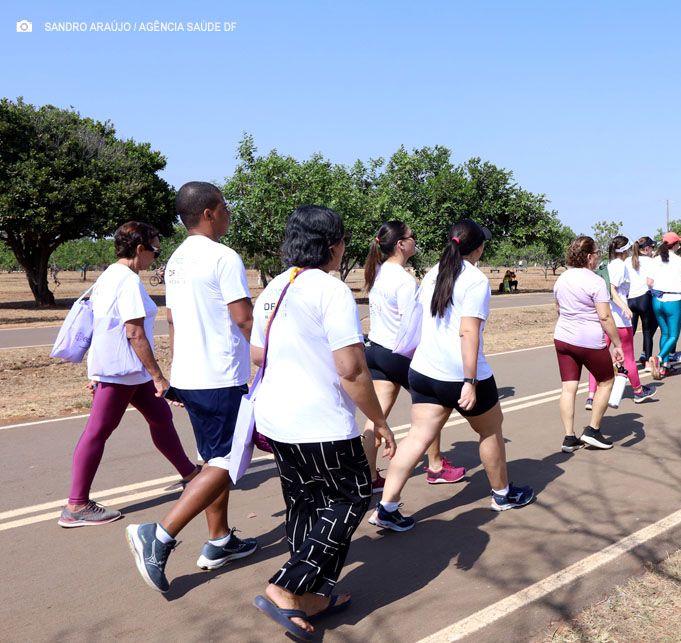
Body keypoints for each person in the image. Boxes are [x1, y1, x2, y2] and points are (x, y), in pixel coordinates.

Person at [250, 206, 396, 639]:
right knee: (350, 499)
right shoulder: (331, 292)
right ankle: (287, 585)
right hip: (321, 423)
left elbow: (258, 355)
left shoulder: (274, 288)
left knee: (306, 506)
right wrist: (379, 420)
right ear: (333, 245)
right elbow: (351, 369)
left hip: (279, 418)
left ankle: (309, 597)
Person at [126, 181, 258, 593]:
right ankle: (160, 535)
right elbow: (244, 319)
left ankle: (219, 539)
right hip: (220, 376)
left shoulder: (177, 260)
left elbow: (172, 320)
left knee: (213, 459)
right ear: (209, 212)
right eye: (225, 207)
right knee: (227, 461)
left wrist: (173, 374)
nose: (229, 214)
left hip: (191, 373)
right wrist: (272, 353)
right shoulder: (223, 257)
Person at [368, 219, 534, 532]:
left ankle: (386, 507)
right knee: (490, 431)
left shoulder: (432, 272)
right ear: (479, 248)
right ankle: (502, 494)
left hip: (424, 370)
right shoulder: (475, 279)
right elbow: (468, 331)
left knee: (417, 436)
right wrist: (470, 381)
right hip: (459, 373)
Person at [60, 222, 199, 528]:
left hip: (127, 371)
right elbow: (134, 332)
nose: (156, 255)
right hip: (121, 371)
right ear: (139, 249)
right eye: (155, 249)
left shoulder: (110, 276)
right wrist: (159, 376)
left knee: (160, 418)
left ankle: (190, 475)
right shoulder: (127, 281)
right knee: (97, 431)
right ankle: (76, 505)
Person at [362, 221, 464, 491]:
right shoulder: (405, 280)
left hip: (375, 351)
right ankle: (436, 467)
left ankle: (369, 477)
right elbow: (412, 326)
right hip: (398, 353)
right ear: (400, 244)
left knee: (375, 418)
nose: (415, 240)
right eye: (412, 236)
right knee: (431, 408)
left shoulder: (378, 273)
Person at [552, 235, 626, 452]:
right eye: (596, 254)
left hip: (563, 337)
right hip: (588, 340)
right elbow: (605, 317)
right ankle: (593, 430)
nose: (598, 258)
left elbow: (558, 308)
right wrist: (617, 344)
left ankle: (569, 437)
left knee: (569, 387)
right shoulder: (595, 281)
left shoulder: (562, 279)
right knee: (605, 381)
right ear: (589, 257)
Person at [584, 236, 656, 409]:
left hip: (604, 319)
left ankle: (591, 396)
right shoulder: (620, 266)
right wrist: (624, 306)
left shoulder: (607, 266)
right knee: (628, 358)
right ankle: (638, 391)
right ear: (625, 251)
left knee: (598, 358)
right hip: (619, 321)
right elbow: (612, 289)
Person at [647, 231, 681, 378]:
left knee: (665, 333)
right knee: (674, 335)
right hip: (673, 300)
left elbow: (649, 282)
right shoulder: (680, 261)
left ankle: (665, 367)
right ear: (675, 245)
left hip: (657, 299)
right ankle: (659, 358)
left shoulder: (654, 260)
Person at [627, 237, 657, 366]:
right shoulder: (651, 262)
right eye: (652, 248)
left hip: (630, 299)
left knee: (630, 333)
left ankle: (626, 361)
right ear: (647, 249)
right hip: (644, 298)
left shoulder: (628, 261)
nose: (652, 250)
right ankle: (647, 361)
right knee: (647, 331)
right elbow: (650, 282)